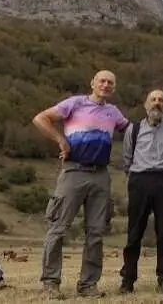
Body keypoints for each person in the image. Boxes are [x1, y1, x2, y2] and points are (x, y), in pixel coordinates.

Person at [31, 70, 130, 300]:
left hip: (101, 175)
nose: (105, 85)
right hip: (73, 171)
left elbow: (133, 131)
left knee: (96, 233)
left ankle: (88, 285)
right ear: (92, 83)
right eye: (102, 81)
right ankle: (50, 283)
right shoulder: (74, 103)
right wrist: (60, 140)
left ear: (113, 88)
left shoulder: (113, 112)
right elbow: (40, 118)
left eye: (110, 83)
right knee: (58, 228)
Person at [118, 89, 163, 295]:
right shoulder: (133, 129)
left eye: (161, 100)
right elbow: (127, 158)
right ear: (146, 105)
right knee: (134, 231)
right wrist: (136, 177)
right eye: (153, 100)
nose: (157, 103)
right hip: (140, 180)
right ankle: (128, 279)